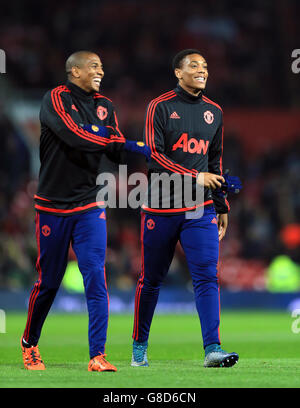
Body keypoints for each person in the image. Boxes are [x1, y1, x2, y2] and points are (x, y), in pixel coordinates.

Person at [21, 50, 150, 372]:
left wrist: (139, 149)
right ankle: (29, 343)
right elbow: (74, 136)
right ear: (74, 71)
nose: (100, 72)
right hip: (52, 205)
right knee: (49, 281)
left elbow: (117, 150)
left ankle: (97, 355)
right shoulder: (55, 98)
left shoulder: (106, 107)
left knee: (96, 276)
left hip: (90, 203)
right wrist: (111, 139)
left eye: (102, 67)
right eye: (93, 66)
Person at [131, 49, 240, 368]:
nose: (202, 70)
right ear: (178, 73)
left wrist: (221, 203)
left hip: (200, 209)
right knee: (151, 279)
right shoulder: (160, 107)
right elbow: (155, 156)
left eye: (205, 66)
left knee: (207, 276)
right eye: (194, 66)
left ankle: (213, 348)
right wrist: (196, 175)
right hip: (161, 206)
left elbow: (214, 160)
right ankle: (139, 346)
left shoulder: (215, 112)